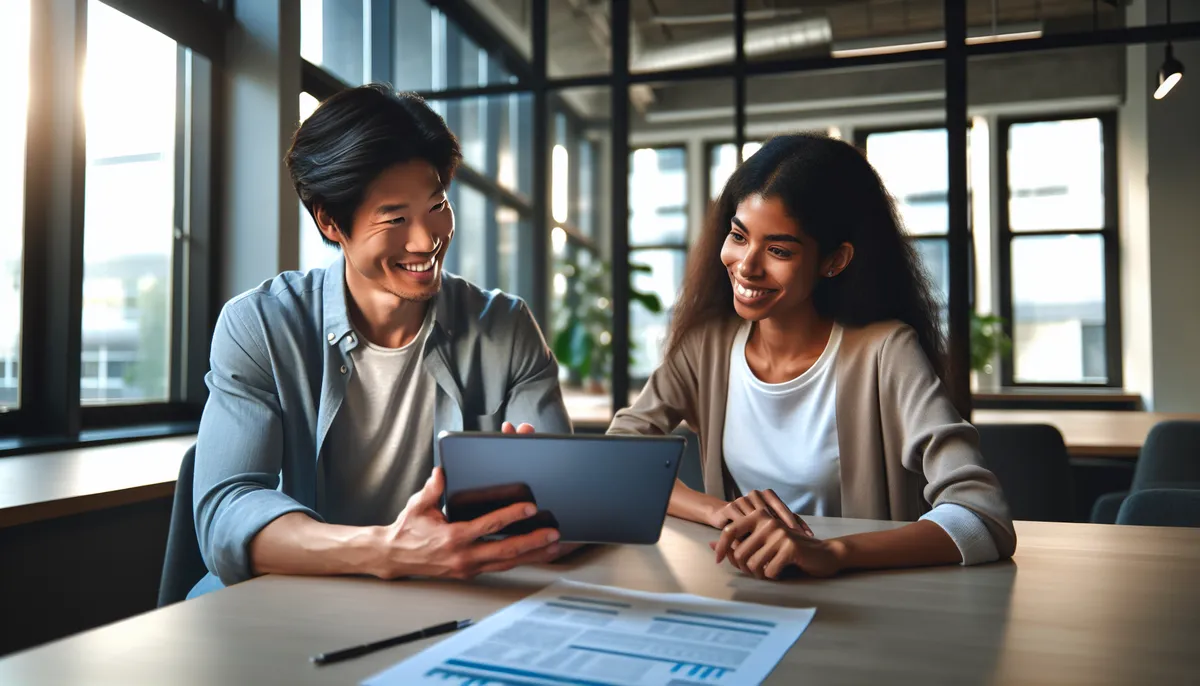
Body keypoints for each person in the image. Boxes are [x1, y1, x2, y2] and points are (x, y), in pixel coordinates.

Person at [189, 84, 569, 598]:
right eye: (395, 218)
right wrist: (388, 551)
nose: (425, 239)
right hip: (297, 599)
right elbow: (227, 513)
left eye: (436, 206)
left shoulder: (505, 326)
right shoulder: (260, 325)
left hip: (452, 601)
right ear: (330, 221)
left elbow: (565, 511)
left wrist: (541, 500)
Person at [608, 133, 1016, 580]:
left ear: (835, 261)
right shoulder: (707, 345)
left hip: (869, 607)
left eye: (778, 250)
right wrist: (719, 512)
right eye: (739, 236)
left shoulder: (884, 352)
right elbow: (621, 457)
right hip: (748, 595)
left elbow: (984, 519)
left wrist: (833, 552)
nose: (746, 266)